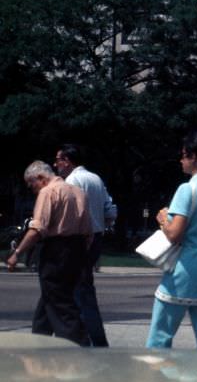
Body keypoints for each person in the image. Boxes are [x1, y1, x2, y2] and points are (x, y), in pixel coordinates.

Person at [146, 126, 197, 349]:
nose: (180, 160)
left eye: (183, 155)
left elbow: (174, 234)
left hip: (183, 272)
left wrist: (163, 218)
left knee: (159, 339)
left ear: (194, 156)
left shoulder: (187, 189)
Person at [6, 161, 93, 345]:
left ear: (40, 178)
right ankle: (40, 340)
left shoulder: (48, 192)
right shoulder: (78, 192)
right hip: (77, 250)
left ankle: (80, 348)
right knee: (50, 300)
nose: (32, 189)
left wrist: (17, 253)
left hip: (56, 252)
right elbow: (88, 232)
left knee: (61, 305)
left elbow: (38, 229)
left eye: (31, 184)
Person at [54, 144, 117, 347]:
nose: (56, 165)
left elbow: (72, 214)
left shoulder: (72, 180)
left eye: (58, 160)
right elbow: (110, 210)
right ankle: (94, 339)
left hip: (79, 240)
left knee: (78, 292)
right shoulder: (95, 178)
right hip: (96, 237)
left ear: (67, 161)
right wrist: (100, 225)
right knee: (83, 288)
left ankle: (87, 340)